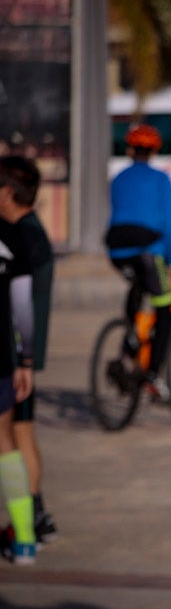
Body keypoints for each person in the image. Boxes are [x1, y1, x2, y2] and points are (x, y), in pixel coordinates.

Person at [105, 124, 171, 401]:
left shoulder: (118, 178)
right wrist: (169, 260)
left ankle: (129, 341)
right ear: (154, 152)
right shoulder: (161, 179)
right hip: (149, 252)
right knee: (165, 309)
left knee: (137, 286)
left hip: (117, 250)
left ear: (129, 150)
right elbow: (170, 222)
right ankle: (153, 377)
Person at [0, 156, 43, 564]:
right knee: (5, 442)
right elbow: (23, 308)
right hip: (3, 353)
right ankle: (26, 538)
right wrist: (26, 361)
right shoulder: (15, 240)